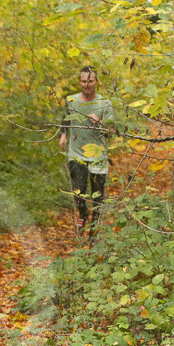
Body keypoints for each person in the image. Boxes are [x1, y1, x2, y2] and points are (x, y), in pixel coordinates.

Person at [58, 66, 115, 233]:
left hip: (98, 154)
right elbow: (65, 118)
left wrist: (99, 122)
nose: (86, 85)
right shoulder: (71, 100)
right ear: (79, 82)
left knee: (98, 194)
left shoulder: (105, 103)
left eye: (90, 81)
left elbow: (110, 132)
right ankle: (83, 213)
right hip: (76, 153)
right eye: (83, 81)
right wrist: (63, 134)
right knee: (78, 190)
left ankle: (95, 228)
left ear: (96, 81)